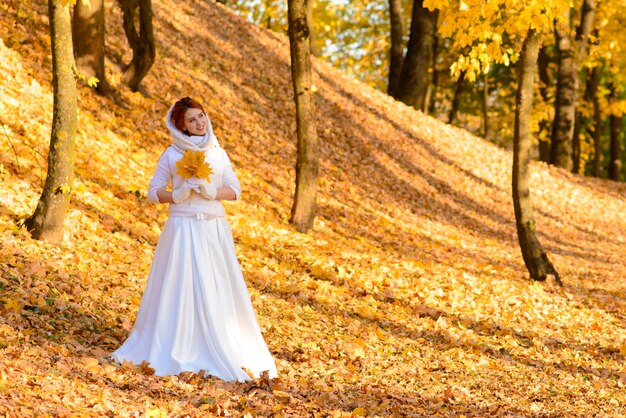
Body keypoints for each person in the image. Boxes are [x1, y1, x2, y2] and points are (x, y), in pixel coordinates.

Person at [110, 97, 277, 382]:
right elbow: (153, 191)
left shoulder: (218, 153)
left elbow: (235, 190)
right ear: (181, 126)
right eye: (192, 120)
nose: (200, 123)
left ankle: (220, 339)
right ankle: (176, 341)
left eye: (201, 116)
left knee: (216, 285)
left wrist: (212, 192)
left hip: (213, 229)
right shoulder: (172, 155)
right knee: (180, 284)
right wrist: (175, 195)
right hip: (183, 228)